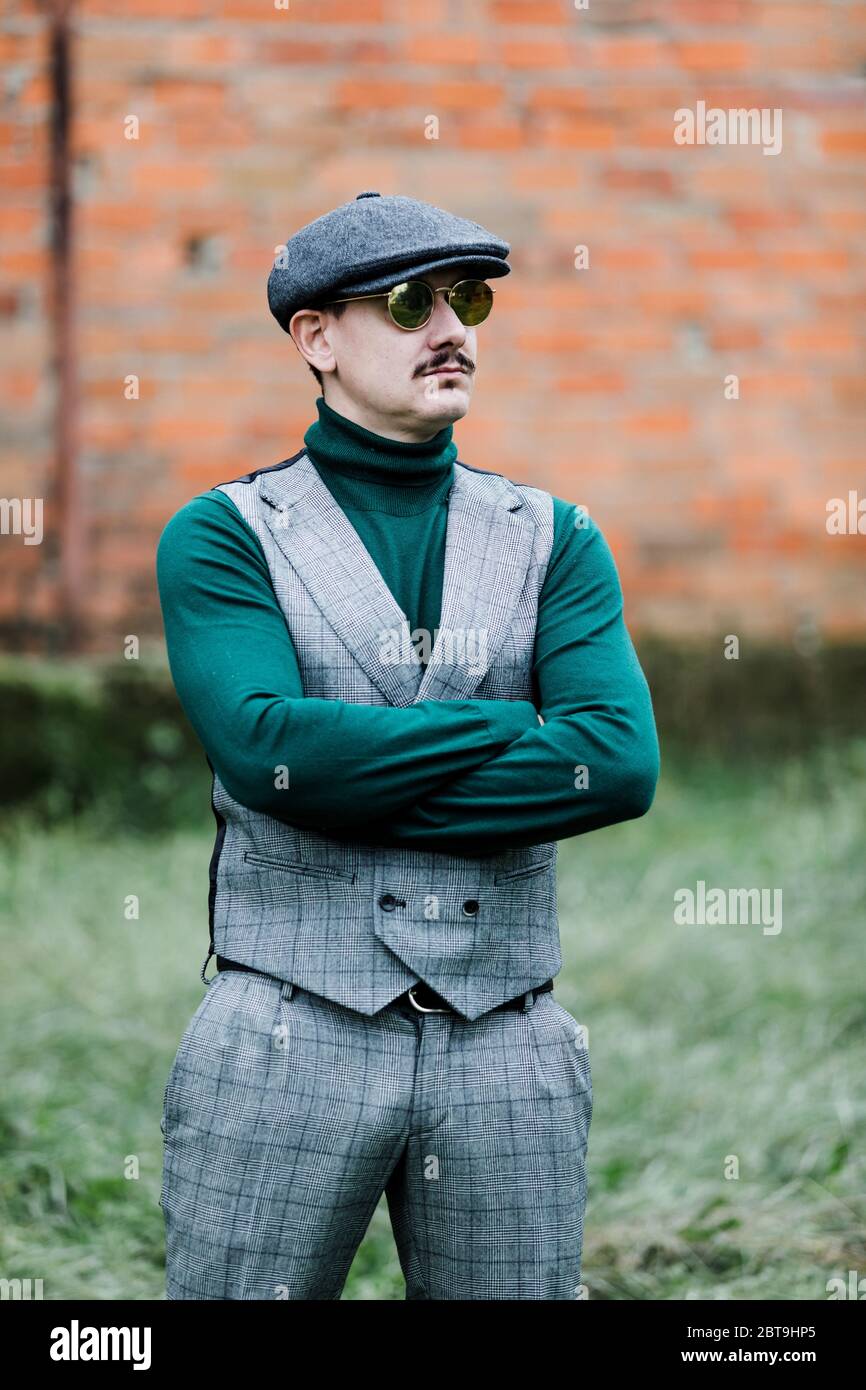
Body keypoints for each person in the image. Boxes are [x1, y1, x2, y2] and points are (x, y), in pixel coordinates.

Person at [155, 191, 660, 1300]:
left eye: (467, 297)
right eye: (407, 302)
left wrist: (345, 777)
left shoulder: (553, 537)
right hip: (284, 1032)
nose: (451, 328)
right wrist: (507, 724)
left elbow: (615, 765)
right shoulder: (223, 534)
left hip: (508, 1040)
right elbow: (265, 751)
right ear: (315, 338)